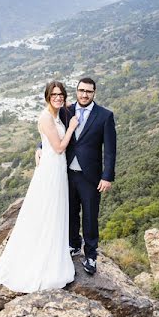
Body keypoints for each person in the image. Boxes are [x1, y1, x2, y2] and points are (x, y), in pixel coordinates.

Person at [0, 81, 79, 293]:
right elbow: (60, 147)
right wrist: (70, 129)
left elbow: (49, 138)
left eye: (61, 94)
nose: (59, 98)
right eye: (54, 95)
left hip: (57, 169)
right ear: (47, 97)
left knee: (55, 211)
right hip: (52, 169)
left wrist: (39, 147)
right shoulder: (46, 117)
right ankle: (43, 260)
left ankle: (54, 252)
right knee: (48, 211)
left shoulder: (58, 113)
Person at [62, 77, 117, 275]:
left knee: (90, 216)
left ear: (94, 93)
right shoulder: (65, 111)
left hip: (91, 177)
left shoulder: (105, 116)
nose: (84, 94)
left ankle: (91, 256)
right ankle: (74, 244)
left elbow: (110, 150)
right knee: (70, 212)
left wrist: (107, 176)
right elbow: (54, 133)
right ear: (76, 91)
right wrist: (39, 147)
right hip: (66, 174)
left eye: (89, 91)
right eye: (81, 90)